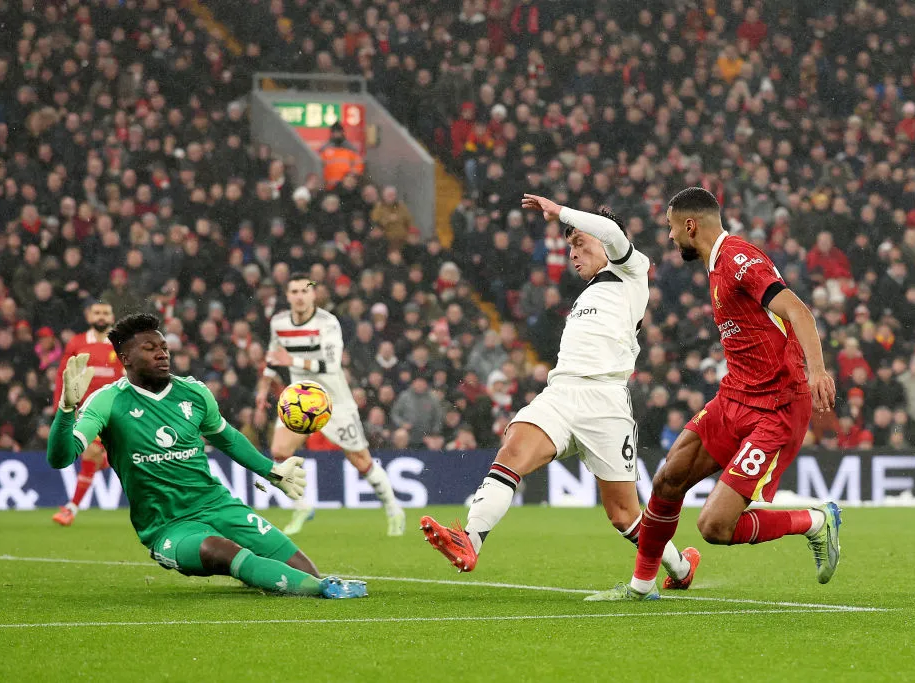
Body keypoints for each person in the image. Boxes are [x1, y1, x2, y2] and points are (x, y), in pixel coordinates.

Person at [420, 195, 695, 587]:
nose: (572, 253)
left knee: (624, 516)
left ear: (605, 241)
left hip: (605, 402)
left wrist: (560, 212)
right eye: (569, 246)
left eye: (580, 242)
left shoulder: (632, 272)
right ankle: (470, 540)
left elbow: (611, 229)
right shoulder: (588, 293)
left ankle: (680, 568)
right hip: (561, 393)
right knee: (513, 449)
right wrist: (571, 226)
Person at [587, 187, 840, 602]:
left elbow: (798, 310)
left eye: (671, 227)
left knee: (715, 527)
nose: (670, 236)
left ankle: (814, 521)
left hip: (776, 407)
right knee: (668, 479)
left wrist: (817, 370)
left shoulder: (739, 259)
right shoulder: (716, 264)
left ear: (690, 225)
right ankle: (641, 587)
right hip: (734, 397)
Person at [46, 313, 366, 598]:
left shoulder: (194, 392)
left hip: (218, 505)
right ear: (125, 358)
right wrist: (66, 410)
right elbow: (61, 458)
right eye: (150, 348)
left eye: (164, 347)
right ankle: (325, 590)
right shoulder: (107, 401)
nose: (162, 353)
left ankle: (306, 582)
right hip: (168, 525)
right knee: (221, 551)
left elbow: (228, 439)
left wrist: (272, 471)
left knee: (303, 569)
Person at [256, 274, 405, 536]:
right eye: (294, 291)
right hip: (300, 399)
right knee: (279, 452)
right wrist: (262, 388)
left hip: (333, 400)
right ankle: (302, 507)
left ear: (314, 295)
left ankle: (394, 508)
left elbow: (331, 364)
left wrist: (292, 361)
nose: (300, 296)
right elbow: (273, 356)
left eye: (305, 291)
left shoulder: (327, 323)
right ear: (287, 295)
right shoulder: (279, 323)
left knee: (360, 459)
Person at [50, 302, 125, 527]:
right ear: (89, 316)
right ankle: (71, 508)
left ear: (112, 316)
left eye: (105, 313)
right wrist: (61, 409)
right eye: (97, 312)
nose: (101, 316)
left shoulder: (121, 343)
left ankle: (72, 507)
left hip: (117, 410)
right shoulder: (77, 342)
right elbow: (63, 376)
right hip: (88, 412)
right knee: (90, 453)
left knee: (103, 458)